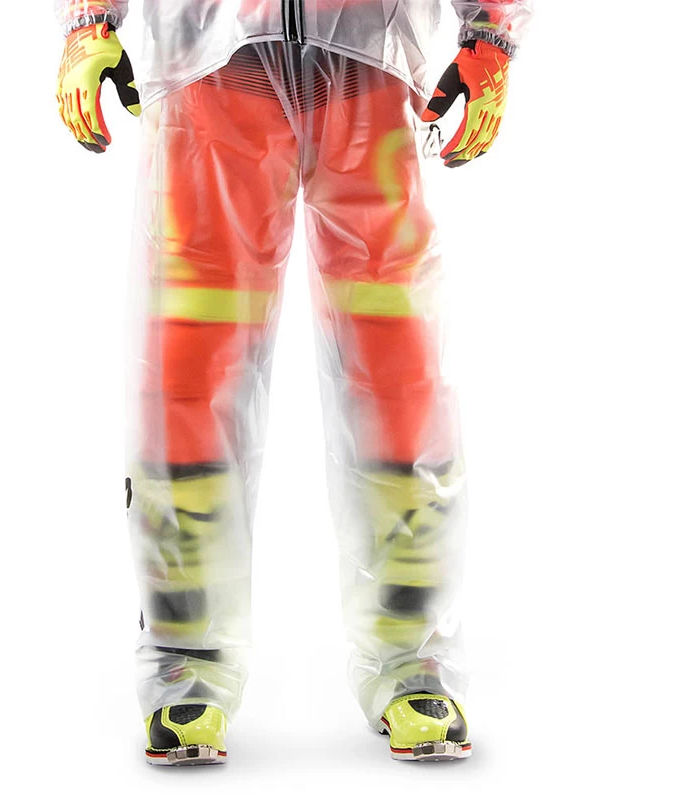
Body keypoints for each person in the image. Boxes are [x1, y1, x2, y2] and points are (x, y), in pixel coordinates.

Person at [55, 0, 532, 766]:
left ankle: (414, 659)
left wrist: (491, 32)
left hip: (372, 65)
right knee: (192, 358)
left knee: (398, 364)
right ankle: (184, 661)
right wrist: (90, 19)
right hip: (213, 59)